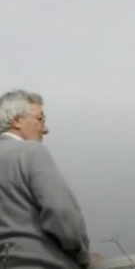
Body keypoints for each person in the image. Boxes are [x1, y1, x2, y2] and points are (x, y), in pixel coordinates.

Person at [0, 89, 100, 268]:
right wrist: (84, 257)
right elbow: (62, 213)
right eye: (40, 119)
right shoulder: (31, 152)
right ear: (16, 120)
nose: (45, 129)